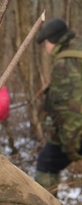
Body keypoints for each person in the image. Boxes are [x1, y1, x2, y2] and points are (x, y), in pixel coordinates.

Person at [34, 17, 82, 193]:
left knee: (46, 165)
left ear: (53, 40)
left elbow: (70, 111)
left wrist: (72, 149)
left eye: (45, 43)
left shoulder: (64, 65)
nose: (45, 49)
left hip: (74, 133)